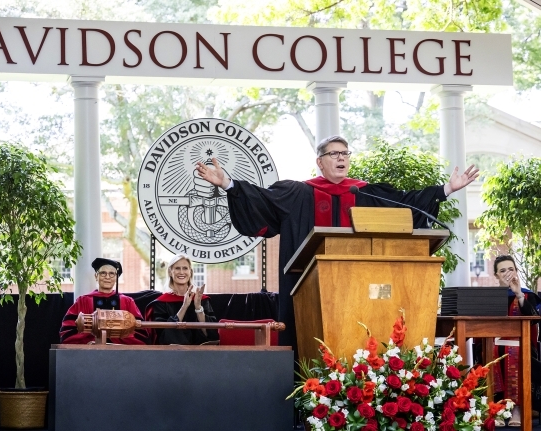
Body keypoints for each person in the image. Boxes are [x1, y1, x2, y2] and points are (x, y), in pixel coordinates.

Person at [195, 135, 479, 349]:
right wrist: (228, 184)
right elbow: (260, 201)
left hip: (362, 287)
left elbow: (406, 204)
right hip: (307, 290)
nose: (342, 158)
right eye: (334, 153)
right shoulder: (298, 194)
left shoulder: (366, 193)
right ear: (320, 161)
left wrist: (446, 189)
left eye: (345, 153)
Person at [491, 255, 540, 427]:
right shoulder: (490, 298)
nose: (507, 273)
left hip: (522, 345)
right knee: (491, 352)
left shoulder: (527, 295)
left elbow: (534, 319)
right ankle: (496, 407)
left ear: (516, 271)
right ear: (496, 275)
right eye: (502, 270)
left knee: (515, 352)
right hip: (494, 344)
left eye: (511, 269)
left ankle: (517, 408)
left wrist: (518, 294)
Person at [59, 258, 149, 345]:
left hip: (121, 354)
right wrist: (95, 330)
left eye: (111, 274)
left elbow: (140, 334)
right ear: (96, 276)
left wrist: (116, 333)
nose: (107, 277)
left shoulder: (127, 302)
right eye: (103, 273)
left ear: (116, 277)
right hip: (90, 353)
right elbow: (68, 332)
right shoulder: (84, 301)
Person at [145, 254, 219, 345]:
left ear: (190, 272)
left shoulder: (201, 300)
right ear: (170, 272)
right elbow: (164, 336)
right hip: (174, 355)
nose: (181, 272)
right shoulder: (161, 303)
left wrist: (198, 308)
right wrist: (184, 306)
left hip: (202, 353)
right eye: (177, 268)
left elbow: (212, 334)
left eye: (185, 268)